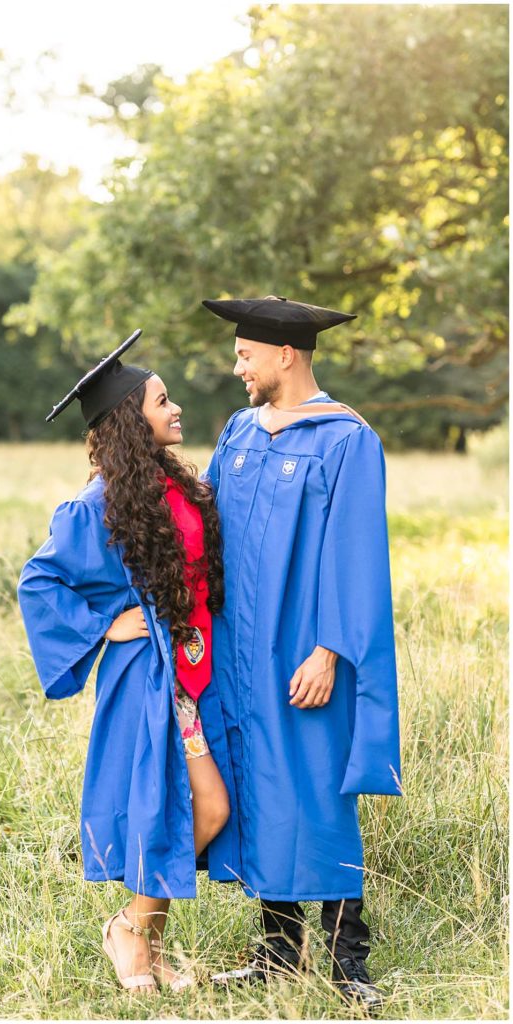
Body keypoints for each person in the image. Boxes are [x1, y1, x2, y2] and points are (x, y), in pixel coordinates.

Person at [17, 331, 240, 996]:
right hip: (151, 679)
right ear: (129, 421)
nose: (175, 410)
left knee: (182, 811)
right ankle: (129, 933)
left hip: (193, 674)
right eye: (161, 401)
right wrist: (103, 625)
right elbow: (39, 581)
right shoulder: (98, 504)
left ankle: (146, 944)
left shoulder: (175, 484)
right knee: (203, 809)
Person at [201, 297, 402, 1012]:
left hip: (302, 648)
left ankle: (349, 960)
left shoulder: (344, 440)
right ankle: (276, 955)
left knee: (318, 789)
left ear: (285, 354)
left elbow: (357, 557)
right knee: (261, 785)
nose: (237, 368)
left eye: (245, 355)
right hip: (239, 648)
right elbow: (208, 527)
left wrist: (327, 651)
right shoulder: (237, 432)